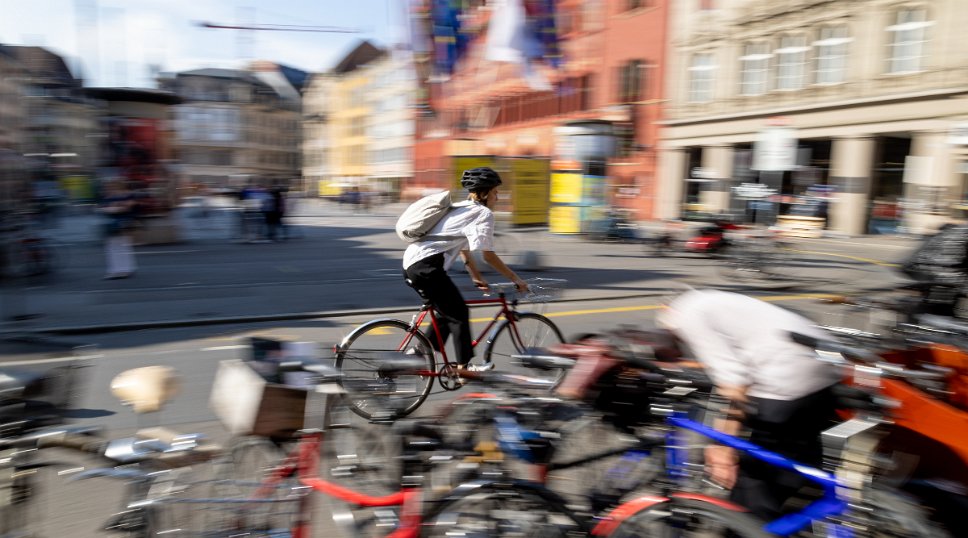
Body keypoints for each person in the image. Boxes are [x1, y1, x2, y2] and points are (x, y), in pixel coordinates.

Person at [654, 289, 841, 520]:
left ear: (668, 313)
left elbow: (734, 383)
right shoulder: (713, 300)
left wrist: (723, 447)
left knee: (754, 480)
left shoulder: (687, 315)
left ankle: (750, 525)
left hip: (786, 377)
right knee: (797, 457)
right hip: (825, 369)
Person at [402, 167, 528, 370]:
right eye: (496, 192)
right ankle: (463, 368)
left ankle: (419, 353)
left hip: (413, 263)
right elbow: (487, 255)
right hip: (427, 266)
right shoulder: (482, 213)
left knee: (446, 312)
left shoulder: (461, 207)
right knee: (459, 312)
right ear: (484, 193)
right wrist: (516, 279)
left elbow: (464, 248)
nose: (498, 197)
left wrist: (476, 276)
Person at [100, 180, 138, 279]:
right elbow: (102, 208)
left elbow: (128, 207)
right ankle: (122, 269)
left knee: (119, 247)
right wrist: (113, 208)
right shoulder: (108, 197)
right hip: (113, 224)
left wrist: (114, 208)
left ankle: (121, 270)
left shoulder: (125, 195)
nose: (108, 188)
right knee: (117, 247)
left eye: (110, 186)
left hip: (121, 223)